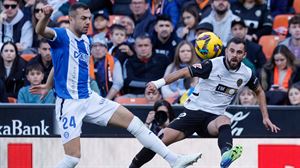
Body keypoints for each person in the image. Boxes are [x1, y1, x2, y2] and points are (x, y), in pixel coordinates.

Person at [32, 3, 201, 167]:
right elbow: (40, 30)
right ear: (71, 19)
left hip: (89, 98)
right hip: (69, 103)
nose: (87, 22)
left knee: (135, 124)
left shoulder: (85, 40)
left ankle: (174, 160)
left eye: (89, 18)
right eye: (83, 18)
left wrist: (48, 84)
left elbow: (59, 63)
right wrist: (46, 16)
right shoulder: (61, 35)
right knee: (72, 159)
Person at [129, 37, 280, 168]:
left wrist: (265, 117)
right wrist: (157, 83)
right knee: (158, 142)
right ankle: (133, 166)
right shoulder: (211, 65)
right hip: (192, 113)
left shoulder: (247, 73)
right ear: (226, 51)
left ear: (244, 54)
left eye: (239, 52)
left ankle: (226, 155)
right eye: (232, 51)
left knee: (225, 120)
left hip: (212, 119)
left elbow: (259, 91)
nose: (234, 55)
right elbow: (182, 72)